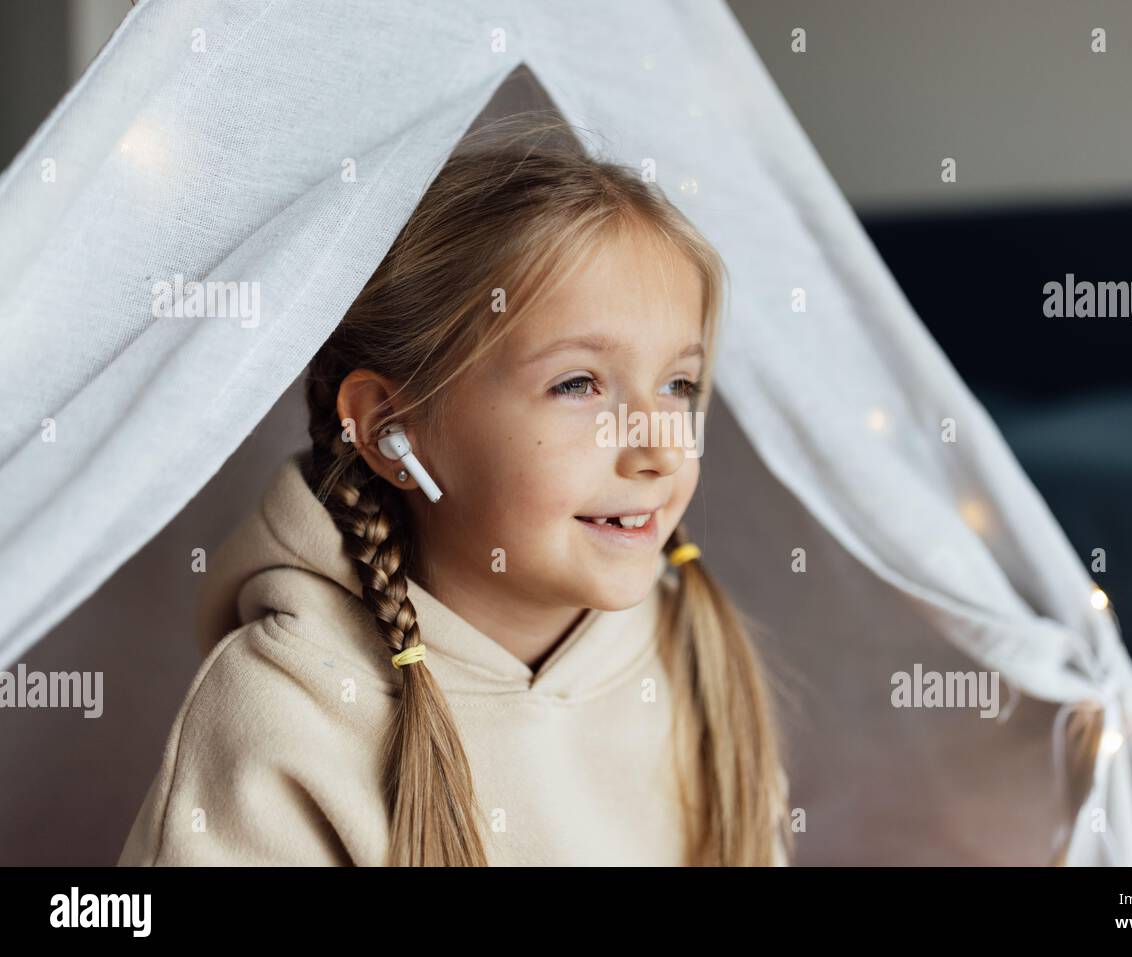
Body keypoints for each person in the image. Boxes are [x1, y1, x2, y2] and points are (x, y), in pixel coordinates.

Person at [117, 113, 793, 866]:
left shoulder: (688, 653)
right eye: (578, 383)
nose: (659, 447)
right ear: (390, 429)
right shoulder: (283, 711)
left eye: (678, 384)